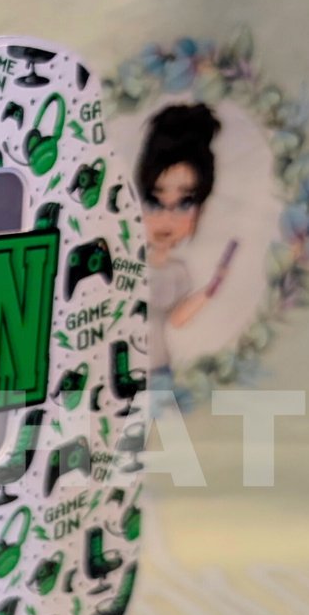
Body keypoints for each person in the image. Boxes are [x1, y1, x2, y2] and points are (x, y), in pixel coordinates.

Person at [135, 102, 235, 408]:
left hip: (159, 372)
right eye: (155, 201)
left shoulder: (178, 272)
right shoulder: (123, 264)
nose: (167, 218)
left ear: (200, 208)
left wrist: (210, 289)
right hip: (119, 373)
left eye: (184, 204)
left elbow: (177, 319)